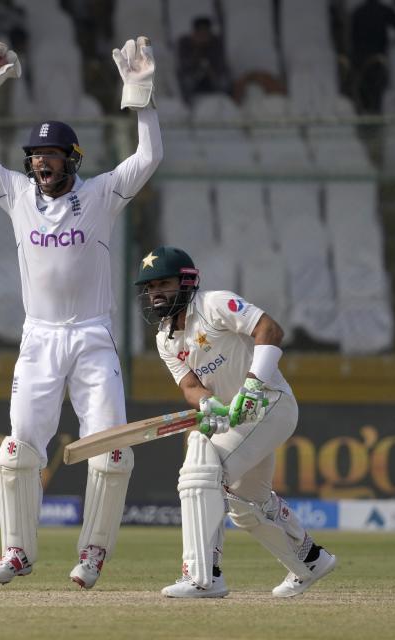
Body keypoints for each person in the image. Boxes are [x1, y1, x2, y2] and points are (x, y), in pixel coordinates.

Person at [0, 38, 162, 588]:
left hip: (92, 337)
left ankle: (92, 553)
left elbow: (149, 158)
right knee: (18, 452)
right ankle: (17, 551)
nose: (40, 162)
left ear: (72, 160)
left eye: (51, 156)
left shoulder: (100, 195)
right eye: (35, 156)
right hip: (39, 339)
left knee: (112, 453)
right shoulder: (18, 195)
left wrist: (140, 96)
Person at [134, 246, 337, 598]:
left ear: (186, 282)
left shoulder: (214, 304)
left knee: (201, 475)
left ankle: (203, 576)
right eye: (149, 288)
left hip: (269, 403)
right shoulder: (166, 338)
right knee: (246, 505)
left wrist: (253, 384)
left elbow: (270, 330)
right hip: (236, 422)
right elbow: (189, 385)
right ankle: (310, 559)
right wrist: (208, 402)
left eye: (163, 284)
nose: (155, 294)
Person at [176, 15, 231, 105]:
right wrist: (197, 50)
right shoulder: (184, 42)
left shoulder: (216, 42)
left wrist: (210, 69)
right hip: (193, 78)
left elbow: (221, 64)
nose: (203, 36)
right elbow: (184, 65)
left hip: (212, 78)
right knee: (185, 80)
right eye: (200, 32)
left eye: (206, 32)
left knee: (224, 80)